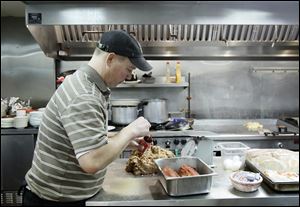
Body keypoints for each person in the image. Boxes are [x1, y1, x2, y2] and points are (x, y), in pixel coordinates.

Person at [22, 30, 153, 206]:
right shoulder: (84, 95)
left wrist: (120, 139)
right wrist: (128, 132)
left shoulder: (86, 82)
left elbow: (80, 139)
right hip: (55, 201)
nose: (129, 76)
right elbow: (91, 161)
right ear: (110, 59)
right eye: (129, 69)